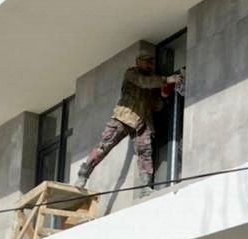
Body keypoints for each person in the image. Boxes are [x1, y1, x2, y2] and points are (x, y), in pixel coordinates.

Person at [75, 54, 182, 192]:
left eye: (152, 62)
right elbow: (144, 82)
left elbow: (156, 105)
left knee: (145, 153)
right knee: (105, 146)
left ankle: (145, 186)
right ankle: (83, 175)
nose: (150, 65)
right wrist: (166, 80)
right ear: (138, 62)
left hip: (143, 122)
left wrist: (164, 95)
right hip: (124, 117)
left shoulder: (154, 81)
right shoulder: (132, 73)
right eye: (147, 62)